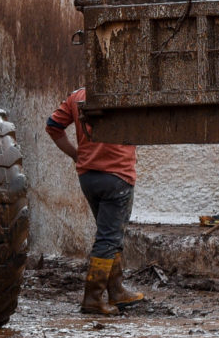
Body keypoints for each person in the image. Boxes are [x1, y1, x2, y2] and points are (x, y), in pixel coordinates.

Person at [46, 86, 148, 317]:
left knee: (109, 234)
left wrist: (75, 154)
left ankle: (117, 291)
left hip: (88, 178)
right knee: (108, 239)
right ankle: (92, 299)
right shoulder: (126, 94)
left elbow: (52, 125)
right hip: (117, 177)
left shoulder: (77, 95)